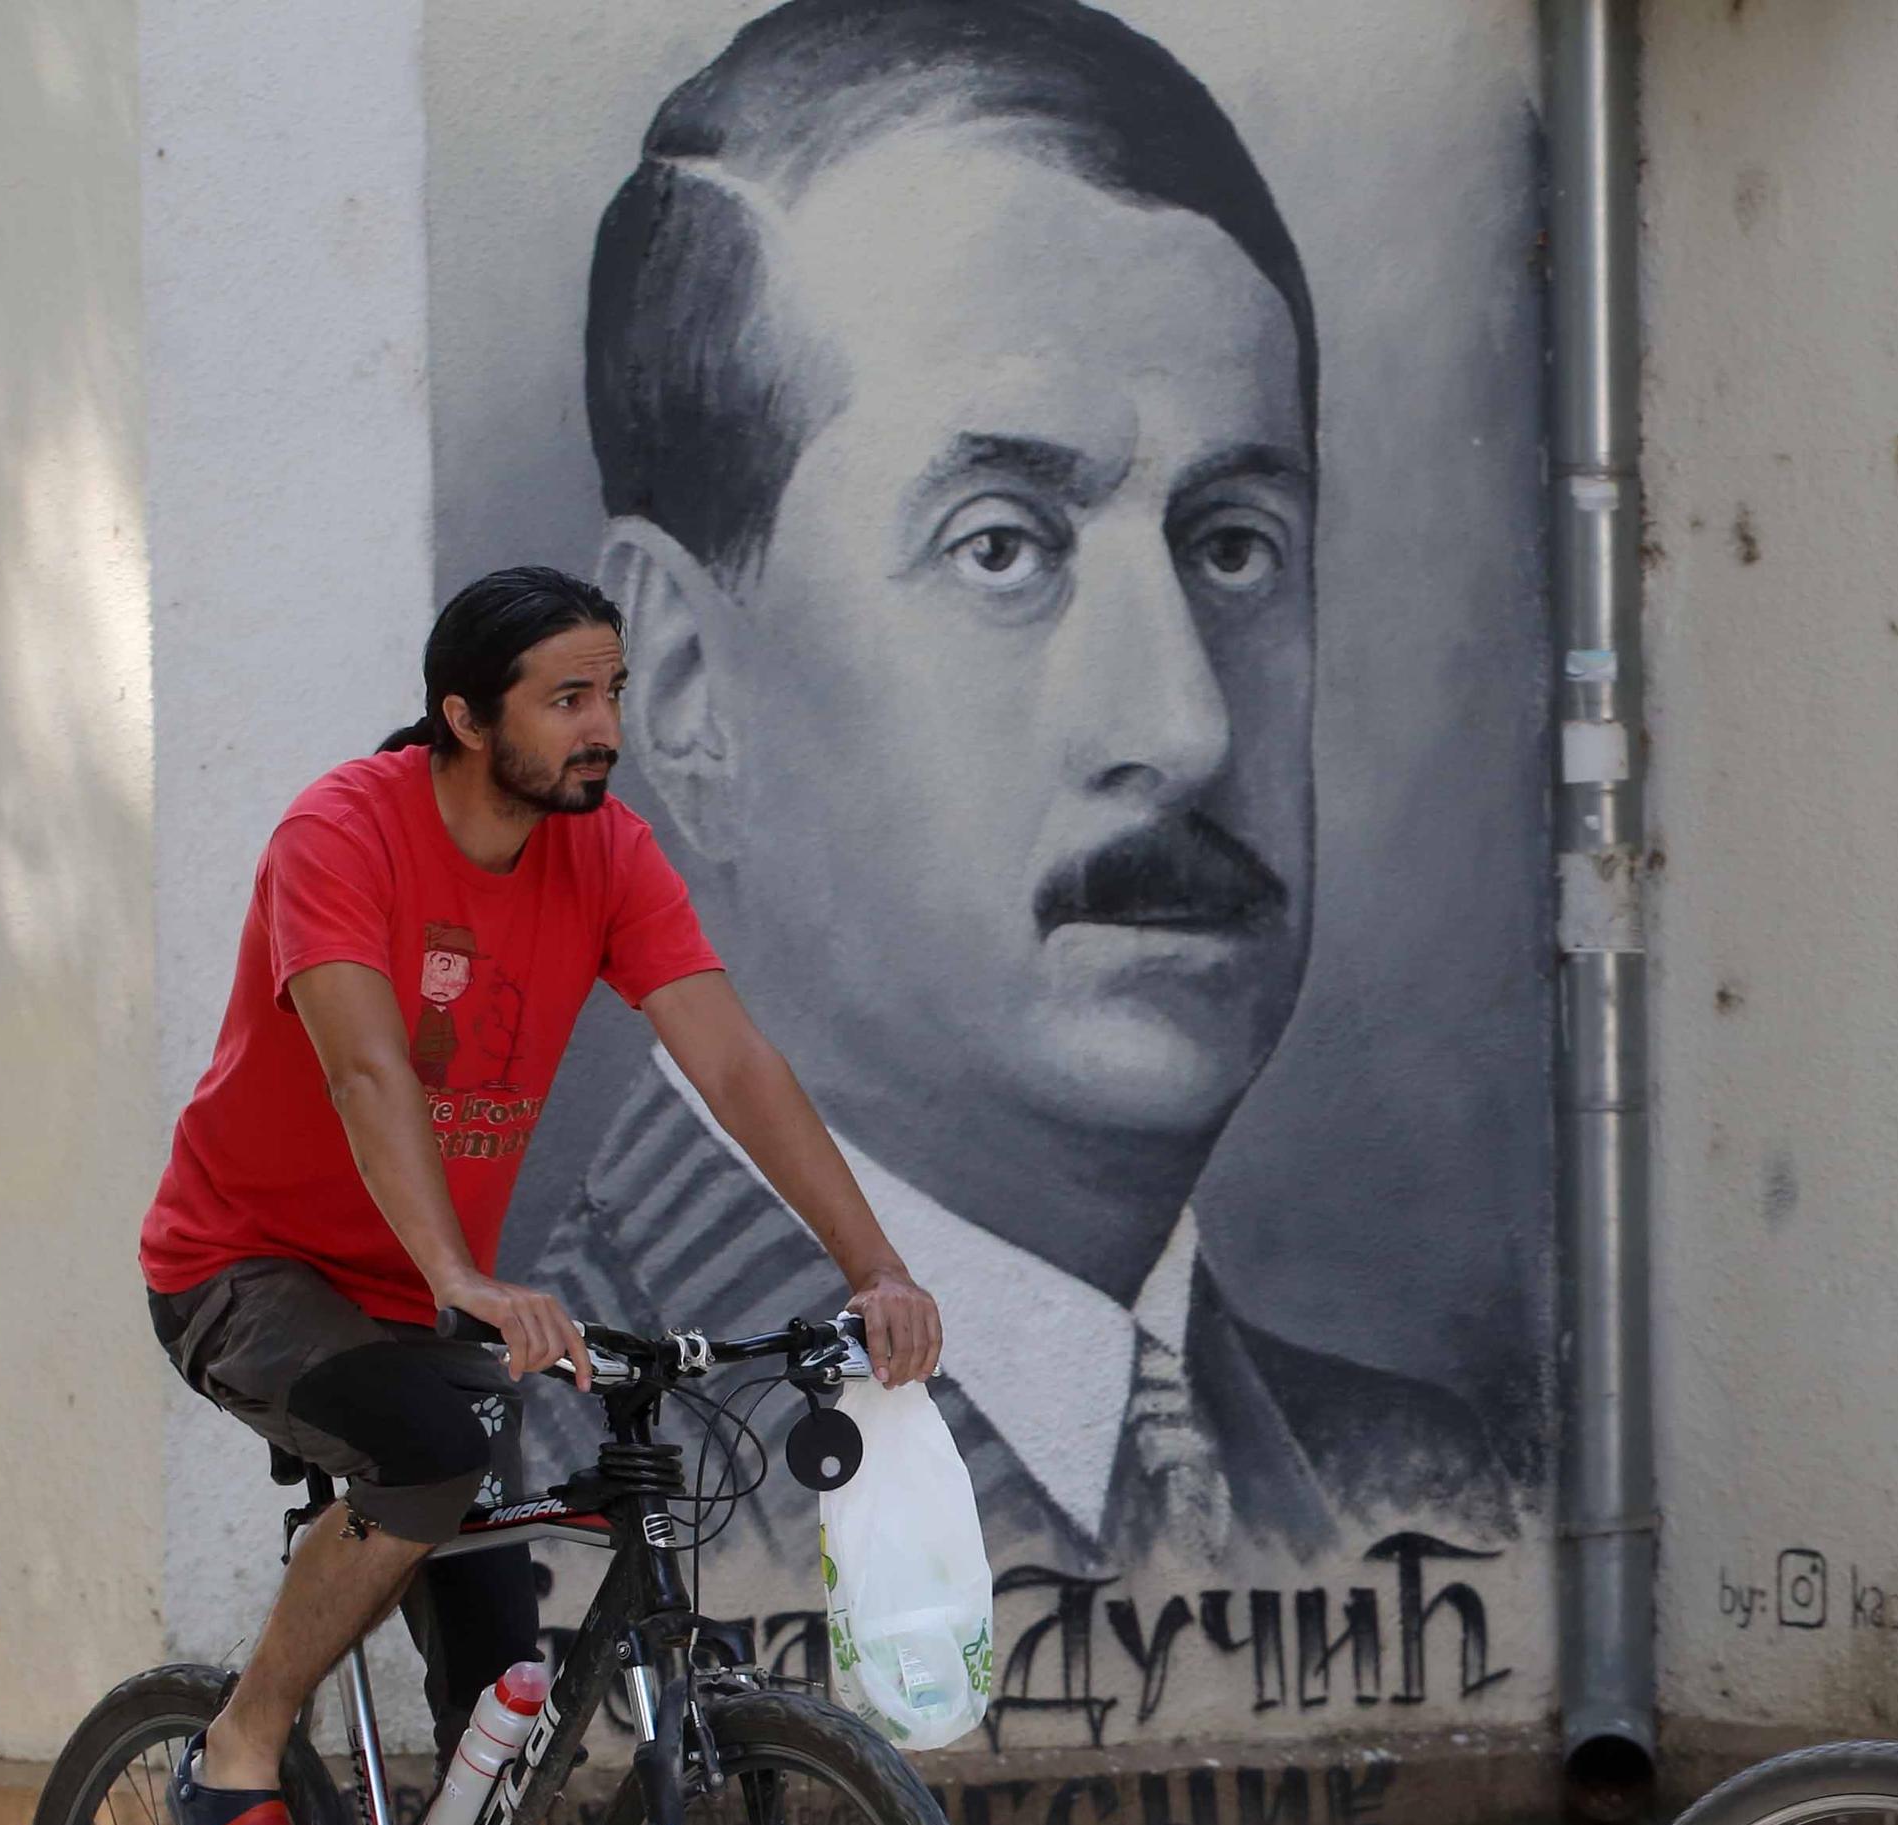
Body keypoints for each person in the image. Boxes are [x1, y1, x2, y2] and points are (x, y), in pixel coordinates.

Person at [528, 0, 1501, 1578]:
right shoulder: (560, 1483)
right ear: (683, 686)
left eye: (1233, 544)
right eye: (1002, 546)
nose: (1182, 727)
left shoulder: (1430, 1490)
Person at [139, 565, 942, 1825]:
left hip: (438, 1294)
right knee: (429, 1448)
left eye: (614, 694)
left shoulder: (604, 857)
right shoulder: (343, 835)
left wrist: (875, 1265)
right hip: (251, 1272)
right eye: (569, 698)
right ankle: (238, 1742)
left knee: (513, 1693)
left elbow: (730, 1057)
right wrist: (452, 1278)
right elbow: (369, 1067)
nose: (604, 730)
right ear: (466, 715)